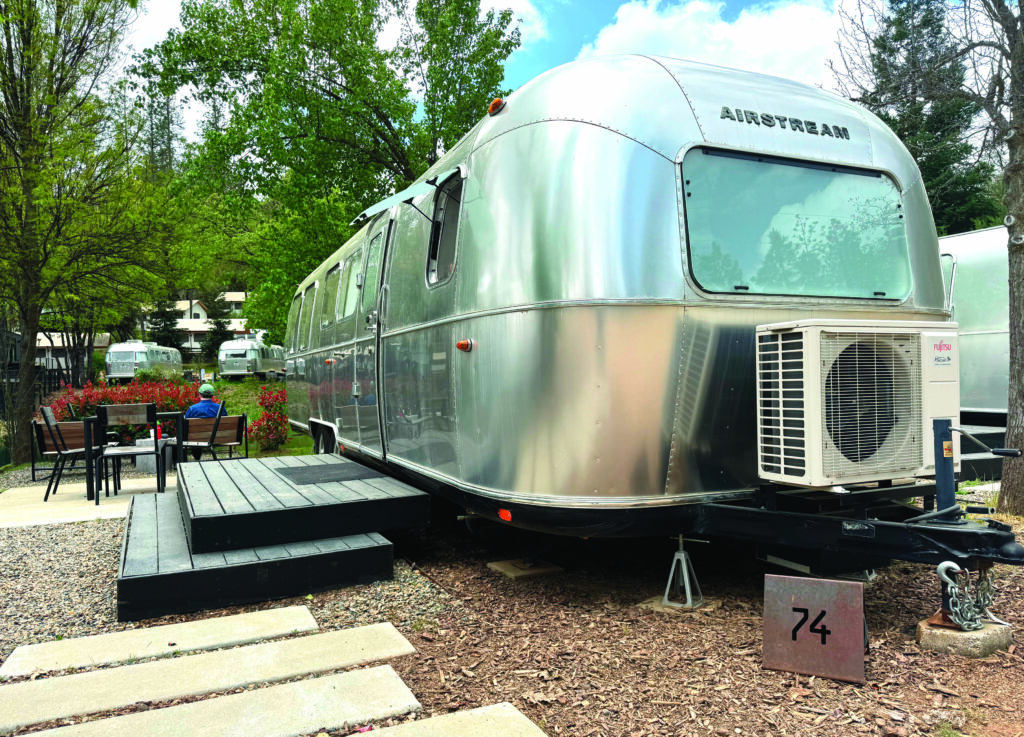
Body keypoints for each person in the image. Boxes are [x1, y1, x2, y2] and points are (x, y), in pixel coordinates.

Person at [184, 383, 226, 460]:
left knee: (195, 436)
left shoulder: (193, 409)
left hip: (195, 439)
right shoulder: (221, 408)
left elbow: (184, 426)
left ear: (199, 394)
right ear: (212, 395)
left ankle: (197, 459)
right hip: (218, 438)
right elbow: (225, 424)